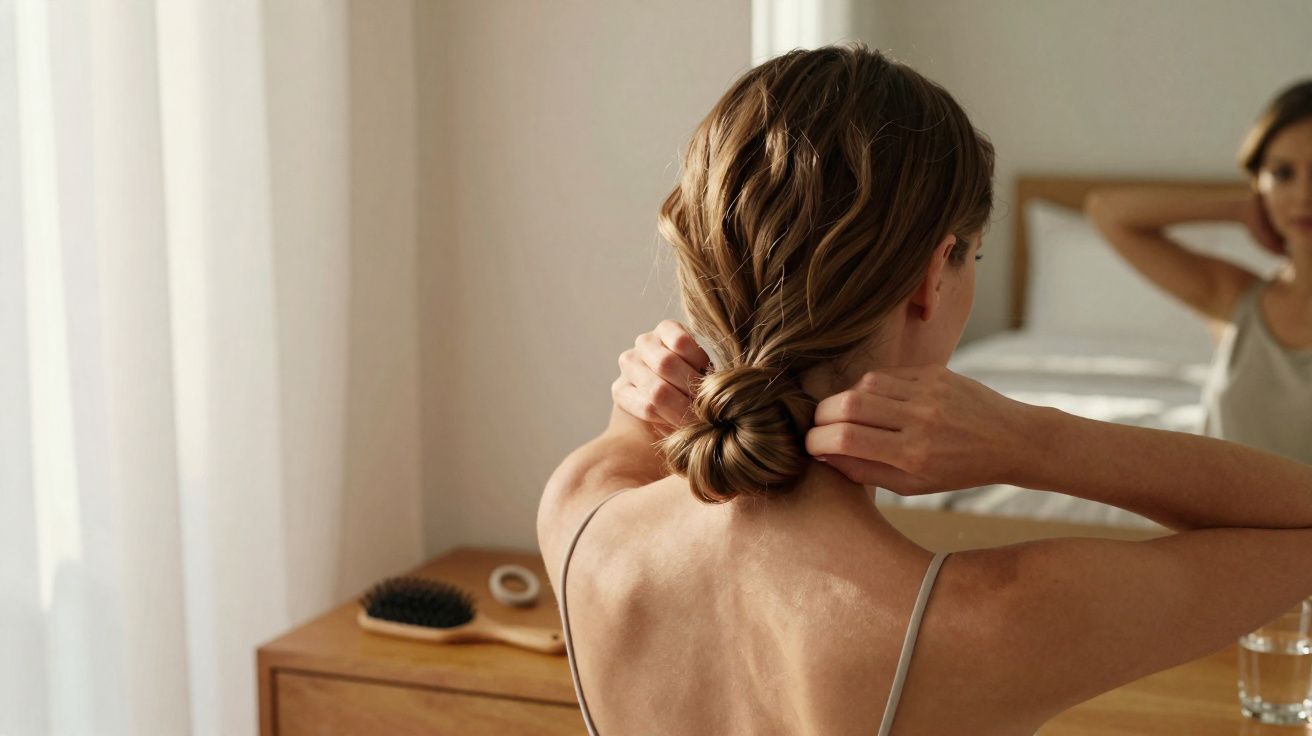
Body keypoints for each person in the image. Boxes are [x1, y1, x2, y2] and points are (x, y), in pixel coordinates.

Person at [537, 46, 1312, 736]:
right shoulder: (990, 620)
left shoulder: (580, 517)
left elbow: (628, 450)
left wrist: (636, 406)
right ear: (931, 275)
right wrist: (1039, 439)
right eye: (970, 256)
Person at [1086, 81, 1312, 464]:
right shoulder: (1234, 299)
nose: (1305, 193)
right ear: (1259, 183)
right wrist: (1239, 209)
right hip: (1217, 524)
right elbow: (1107, 212)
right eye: (1283, 173)